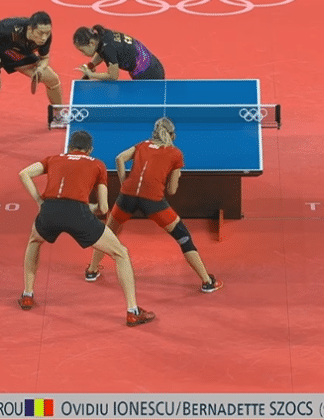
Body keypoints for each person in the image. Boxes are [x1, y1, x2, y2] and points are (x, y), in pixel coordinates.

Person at [17, 130, 155, 327]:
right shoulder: (97, 164)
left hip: (49, 210)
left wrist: (40, 201)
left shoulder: (53, 159)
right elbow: (104, 208)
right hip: (78, 214)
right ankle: (133, 311)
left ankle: (27, 295)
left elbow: (24, 173)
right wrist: (91, 207)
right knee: (121, 253)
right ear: (89, 150)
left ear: (69, 147)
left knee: (35, 241)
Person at [85, 118, 223, 293]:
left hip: (126, 197)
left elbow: (119, 158)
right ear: (172, 135)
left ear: (155, 133)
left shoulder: (142, 145)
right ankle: (207, 281)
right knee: (183, 237)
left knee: (108, 234)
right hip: (153, 201)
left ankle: (92, 271)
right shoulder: (176, 154)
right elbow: (171, 190)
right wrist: (175, 177)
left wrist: (124, 182)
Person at [0, 11, 63, 152]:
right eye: (40, 33)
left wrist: (40, 68)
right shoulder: (9, 28)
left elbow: (44, 58)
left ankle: (59, 116)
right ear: (30, 29)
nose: (44, 37)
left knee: (52, 79)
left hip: (16, 54)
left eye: (47, 33)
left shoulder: (46, 37)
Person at [73, 25, 165, 81]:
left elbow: (113, 76)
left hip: (148, 76)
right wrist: (91, 65)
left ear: (91, 43)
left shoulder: (108, 49)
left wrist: (91, 75)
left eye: (82, 50)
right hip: (153, 64)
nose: (83, 54)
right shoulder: (102, 35)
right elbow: (101, 52)